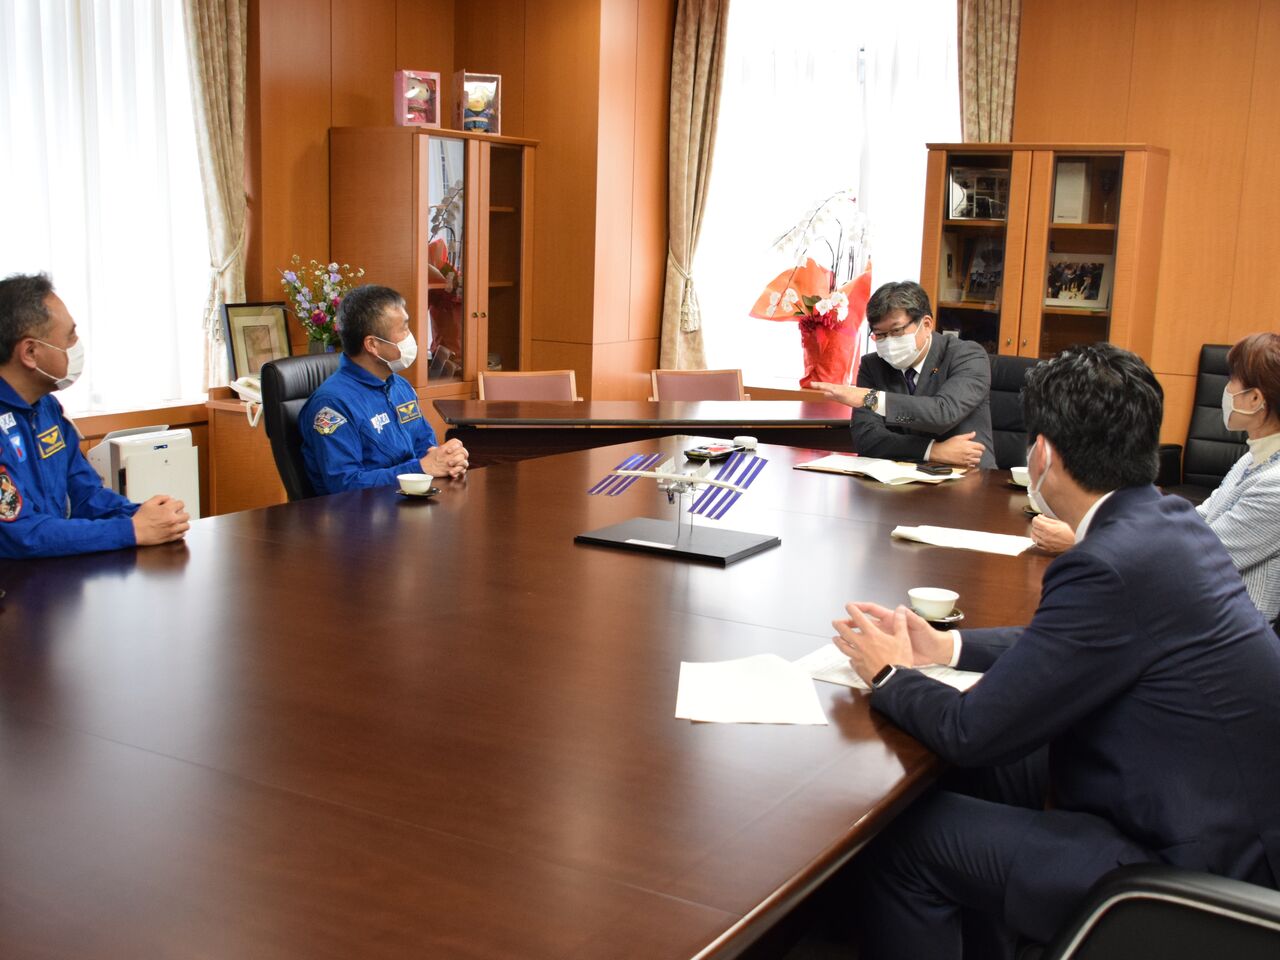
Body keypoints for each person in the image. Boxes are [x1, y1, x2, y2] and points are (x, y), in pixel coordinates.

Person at [830, 343, 1280, 959]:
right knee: (993, 771)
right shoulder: (1169, 523)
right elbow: (1069, 643)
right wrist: (946, 644)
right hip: (1214, 817)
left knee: (901, 841)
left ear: (1040, 454)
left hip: (1186, 868)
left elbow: (970, 730)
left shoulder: (1108, 562)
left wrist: (886, 673)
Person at [1030, 332, 1280, 624]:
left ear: (1255, 398)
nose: (1226, 389)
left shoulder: (1275, 484)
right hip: (1196, 605)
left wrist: (1084, 537)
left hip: (1224, 625)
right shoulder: (1253, 458)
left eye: (1231, 380)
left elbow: (1200, 556)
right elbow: (1197, 520)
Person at [0, 273, 190, 558]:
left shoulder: (47, 407)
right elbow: (22, 534)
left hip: (54, 575)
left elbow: (85, 495)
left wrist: (146, 515)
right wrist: (131, 530)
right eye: (69, 336)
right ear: (30, 352)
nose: (76, 344)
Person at [301, 283, 468, 495]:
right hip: (361, 512)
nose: (410, 337)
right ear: (372, 344)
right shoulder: (332, 405)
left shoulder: (400, 386)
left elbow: (424, 445)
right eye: (404, 329)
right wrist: (420, 468)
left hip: (410, 502)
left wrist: (446, 459)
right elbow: (344, 485)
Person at [811, 280, 994, 469]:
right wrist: (932, 450)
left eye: (896, 331)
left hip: (969, 475)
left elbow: (943, 413)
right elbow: (867, 438)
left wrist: (872, 399)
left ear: (926, 324)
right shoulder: (872, 366)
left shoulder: (967, 355)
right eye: (880, 335)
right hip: (899, 477)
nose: (889, 342)